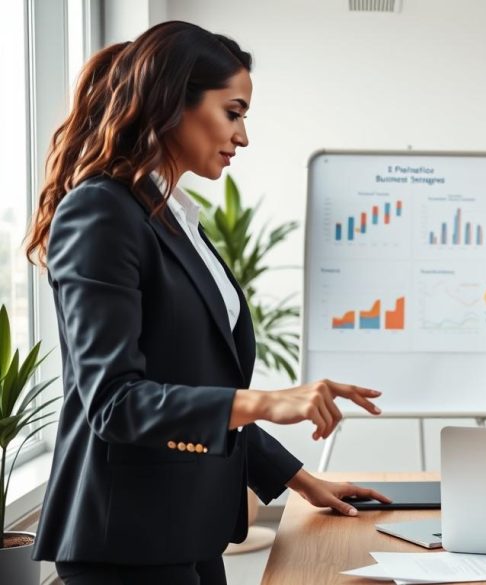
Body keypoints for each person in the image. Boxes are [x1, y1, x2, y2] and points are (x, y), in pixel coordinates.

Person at [25, 21, 389, 584]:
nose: (242, 136)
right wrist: (267, 401)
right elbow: (115, 403)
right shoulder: (101, 212)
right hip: (125, 539)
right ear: (173, 103)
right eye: (233, 112)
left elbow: (192, 378)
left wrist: (300, 480)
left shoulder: (172, 216)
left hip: (184, 527)